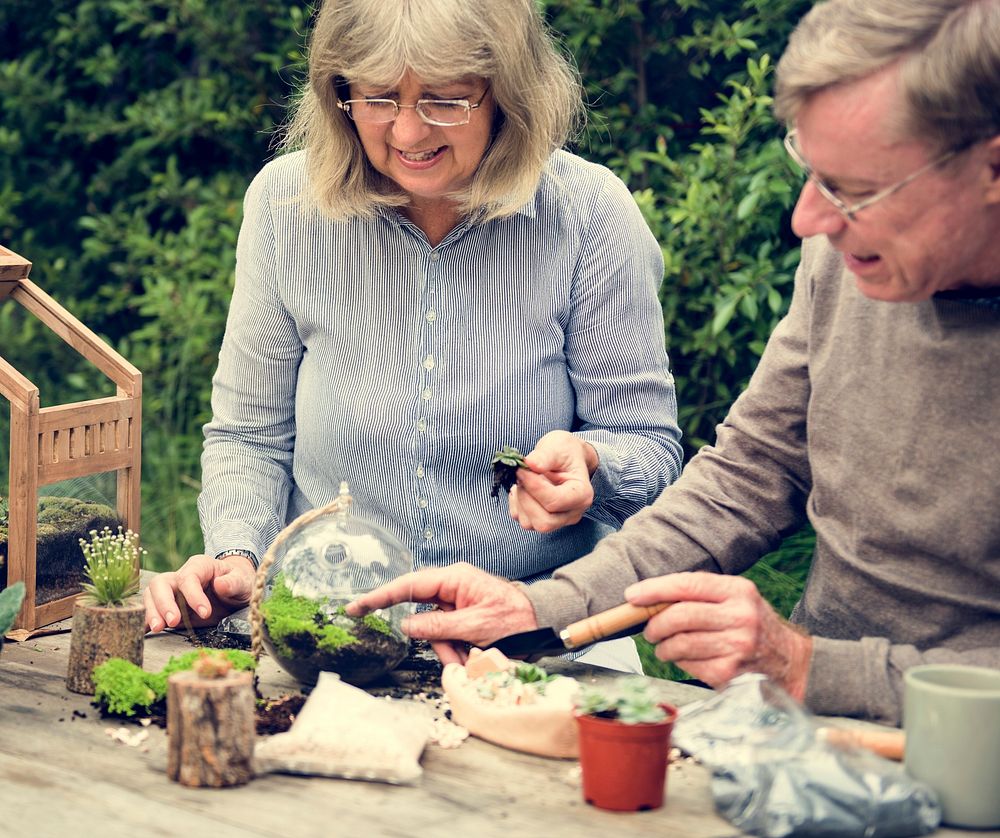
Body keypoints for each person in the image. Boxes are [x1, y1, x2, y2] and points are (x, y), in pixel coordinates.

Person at [349, 0, 1000, 724]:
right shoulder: (849, 257)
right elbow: (750, 474)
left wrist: (813, 667)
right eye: (810, 174)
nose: (808, 222)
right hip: (811, 733)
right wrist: (535, 607)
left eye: (854, 190)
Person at [142, 0, 684, 672]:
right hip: (327, 635)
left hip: (532, 642)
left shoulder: (590, 214)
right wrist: (235, 558)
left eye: (444, 99)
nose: (406, 130)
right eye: (376, 97)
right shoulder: (285, 207)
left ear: (507, 93)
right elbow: (248, 435)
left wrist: (592, 465)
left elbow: (652, 450)